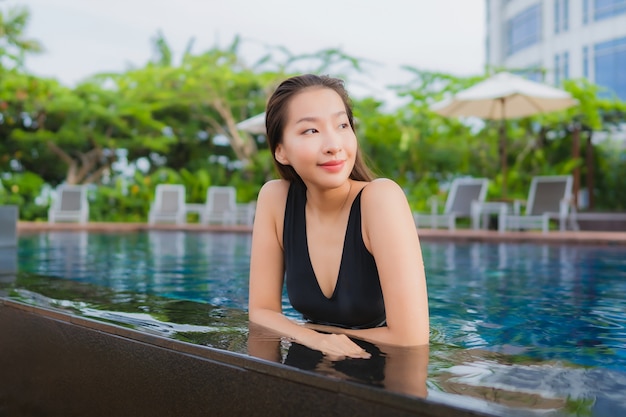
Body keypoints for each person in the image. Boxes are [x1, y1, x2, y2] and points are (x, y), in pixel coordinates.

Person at [248, 74, 429, 360]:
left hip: (379, 374)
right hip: (307, 367)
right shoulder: (275, 199)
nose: (334, 144)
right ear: (280, 151)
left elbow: (410, 339)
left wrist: (312, 334)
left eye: (342, 125)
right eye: (311, 131)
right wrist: (312, 337)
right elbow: (261, 311)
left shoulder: (380, 199)